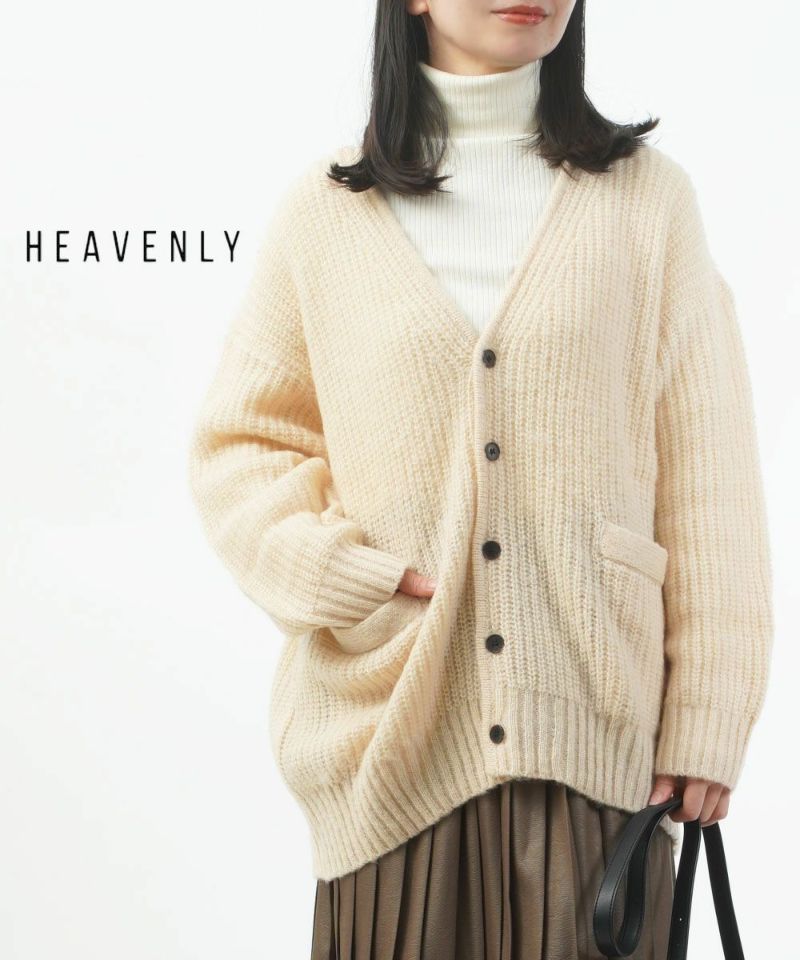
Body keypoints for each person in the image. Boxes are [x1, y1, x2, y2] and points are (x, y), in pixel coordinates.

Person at [187, 1, 774, 957]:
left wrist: (710, 711)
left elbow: (711, 479)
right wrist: (343, 573)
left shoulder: (648, 202)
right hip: (389, 752)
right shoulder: (324, 216)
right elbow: (243, 446)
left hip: (595, 757)